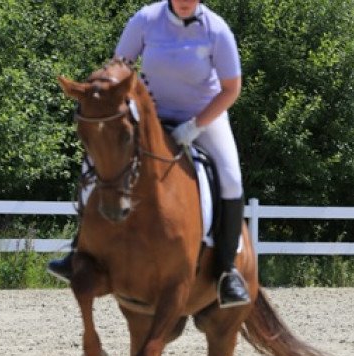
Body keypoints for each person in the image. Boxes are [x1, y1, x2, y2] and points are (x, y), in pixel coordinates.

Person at [48, 0, 249, 307]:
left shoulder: (217, 29)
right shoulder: (145, 19)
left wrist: (195, 126)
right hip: (148, 114)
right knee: (100, 161)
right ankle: (79, 248)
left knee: (232, 179)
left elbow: (231, 89)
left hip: (203, 116)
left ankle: (227, 271)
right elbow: (119, 67)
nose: (184, 2)